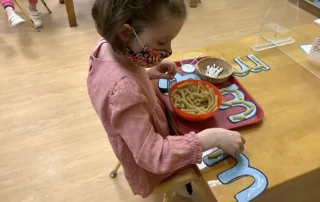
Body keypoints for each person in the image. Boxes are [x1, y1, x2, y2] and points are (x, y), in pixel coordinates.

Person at [88, 0, 246, 199]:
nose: (168, 50)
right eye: (162, 42)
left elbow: (120, 81)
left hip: (139, 130)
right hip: (150, 161)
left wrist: (146, 74)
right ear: (125, 33)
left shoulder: (106, 46)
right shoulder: (123, 90)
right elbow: (153, 155)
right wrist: (211, 138)